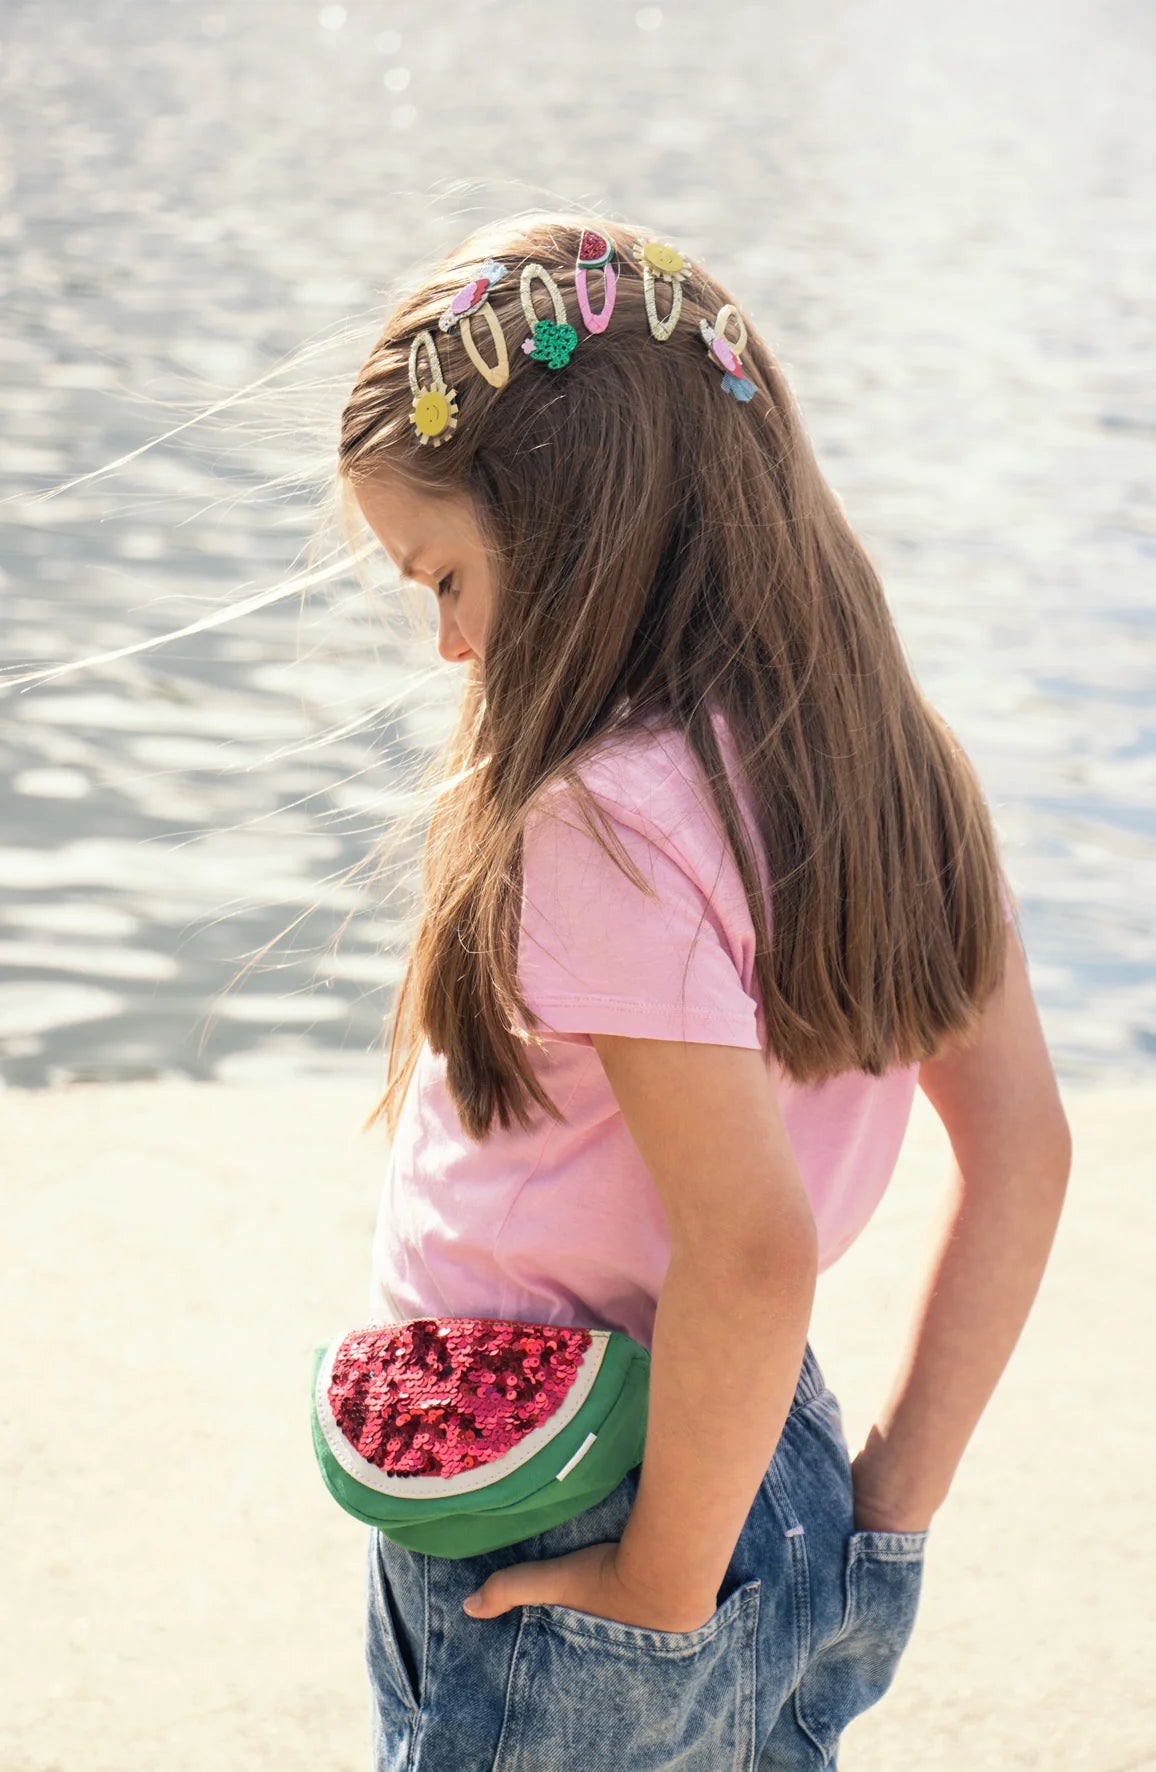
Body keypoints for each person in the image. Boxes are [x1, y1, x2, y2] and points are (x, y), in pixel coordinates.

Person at [335, 213, 1071, 1772]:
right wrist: (890, 1506)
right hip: (769, 1457)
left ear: (578, 531)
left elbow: (748, 1248)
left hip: (585, 1496)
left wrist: (657, 1591)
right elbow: (1025, 1151)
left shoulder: (603, 817)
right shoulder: (889, 761)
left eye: (450, 577)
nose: (451, 643)